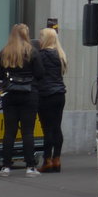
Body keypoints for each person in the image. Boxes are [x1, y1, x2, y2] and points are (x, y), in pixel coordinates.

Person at [0, 23, 44, 176]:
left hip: (10, 94)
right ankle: (30, 166)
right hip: (29, 93)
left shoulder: (5, 52)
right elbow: (40, 73)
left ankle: (6, 166)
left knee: (9, 131)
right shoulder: (32, 51)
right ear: (26, 34)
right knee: (27, 132)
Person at [35, 26, 67, 173]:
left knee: (47, 129)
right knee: (57, 127)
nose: (39, 40)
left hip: (45, 94)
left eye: (41, 37)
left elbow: (38, 74)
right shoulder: (60, 55)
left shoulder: (41, 55)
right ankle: (57, 159)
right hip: (60, 94)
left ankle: (47, 160)